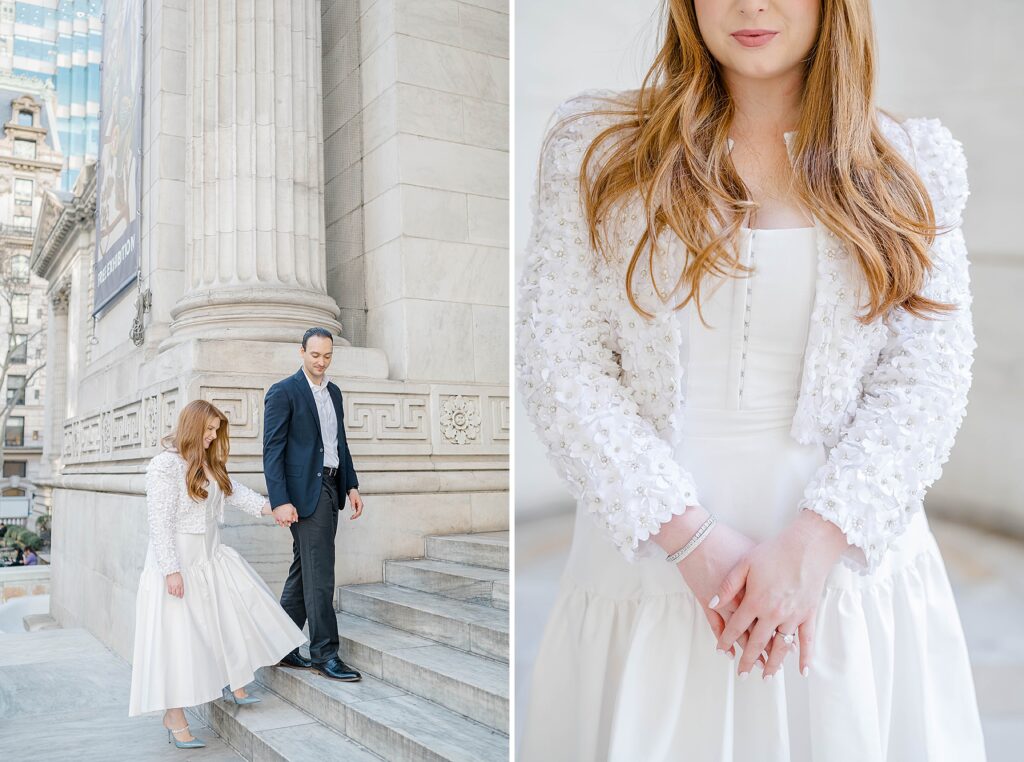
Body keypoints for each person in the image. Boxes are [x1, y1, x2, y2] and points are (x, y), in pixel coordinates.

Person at [516, 1, 985, 760]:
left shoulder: (913, 162)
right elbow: (560, 364)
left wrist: (814, 545)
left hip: (842, 574)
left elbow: (927, 378)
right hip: (652, 569)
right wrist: (692, 543)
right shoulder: (596, 147)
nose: (751, 5)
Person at [128, 400, 306, 749]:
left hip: (211, 558)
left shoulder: (208, 464)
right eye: (208, 429)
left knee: (228, 618)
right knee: (177, 641)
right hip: (179, 563)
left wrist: (273, 508)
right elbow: (159, 524)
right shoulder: (164, 466)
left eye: (215, 430)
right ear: (192, 427)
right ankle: (173, 714)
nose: (212, 436)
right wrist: (171, 571)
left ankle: (235, 679)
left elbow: (236, 493)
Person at [263, 327, 364, 681]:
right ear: (301, 352)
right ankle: (324, 653)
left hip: (333, 486)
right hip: (306, 492)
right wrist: (279, 501)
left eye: (327, 356)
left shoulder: (333, 393)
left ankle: (281, 645)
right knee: (320, 572)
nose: (321, 362)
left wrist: (351, 485)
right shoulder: (283, 392)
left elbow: (340, 443)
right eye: (315, 355)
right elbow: (272, 451)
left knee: (306, 568)